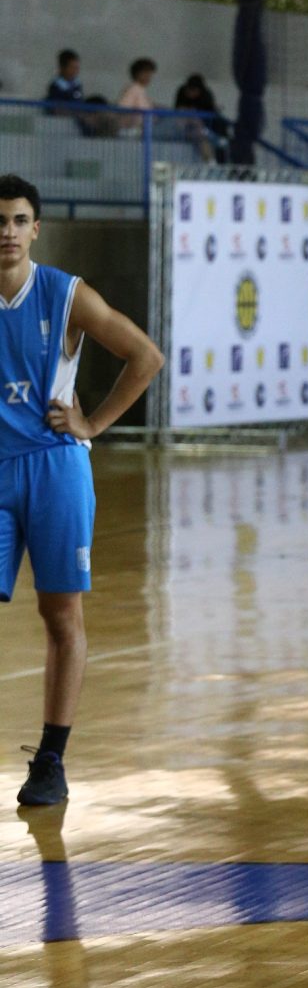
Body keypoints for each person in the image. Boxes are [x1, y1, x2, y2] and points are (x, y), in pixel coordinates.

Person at [0, 174, 164, 808]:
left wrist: (92, 423)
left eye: (19, 220)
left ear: (36, 229)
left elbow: (145, 356)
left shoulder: (64, 294)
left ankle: (51, 760)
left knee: (60, 615)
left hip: (54, 468)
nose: (8, 232)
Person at [174, 73, 230, 163]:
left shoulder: (206, 95)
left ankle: (212, 157)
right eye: (190, 90)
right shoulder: (182, 92)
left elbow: (211, 110)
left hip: (202, 128)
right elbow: (178, 110)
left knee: (205, 137)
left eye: (195, 91)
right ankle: (209, 137)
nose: (192, 94)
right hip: (188, 128)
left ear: (200, 91)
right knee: (198, 131)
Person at [115, 58, 157, 134]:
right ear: (137, 74)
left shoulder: (141, 90)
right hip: (130, 131)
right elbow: (123, 109)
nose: (148, 77)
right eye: (146, 73)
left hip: (141, 130)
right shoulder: (133, 89)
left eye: (150, 74)